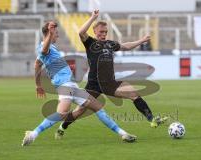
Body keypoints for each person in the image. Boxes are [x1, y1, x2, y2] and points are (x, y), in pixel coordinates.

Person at [55, 10, 168, 138]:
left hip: (110, 83)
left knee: (134, 94)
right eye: (101, 32)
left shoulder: (110, 44)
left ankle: (152, 120)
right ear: (95, 31)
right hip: (93, 85)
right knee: (80, 110)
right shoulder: (90, 43)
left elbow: (126, 46)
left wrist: (141, 40)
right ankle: (62, 127)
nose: (104, 34)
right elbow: (81, 32)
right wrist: (93, 17)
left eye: (105, 32)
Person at [21, 21, 136, 146]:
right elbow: (44, 50)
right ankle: (33, 134)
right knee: (61, 113)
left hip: (71, 86)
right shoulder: (44, 46)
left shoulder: (49, 48)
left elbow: (37, 64)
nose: (57, 36)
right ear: (49, 34)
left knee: (98, 108)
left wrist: (38, 85)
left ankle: (123, 133)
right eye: (56, 34)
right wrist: (50, 33)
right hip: (65, 85)